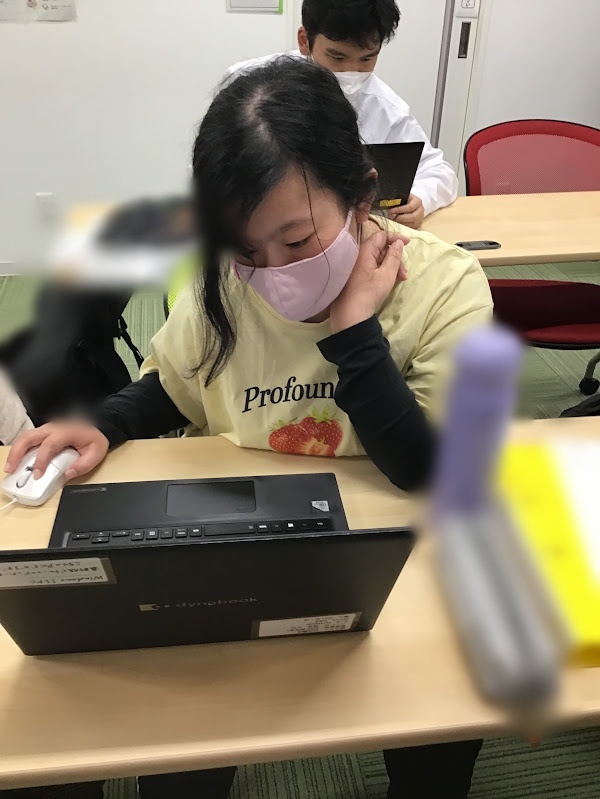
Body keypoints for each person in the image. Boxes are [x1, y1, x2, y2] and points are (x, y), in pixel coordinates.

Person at [6, 58, 491, 798]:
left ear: (363, 197)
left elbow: (426, 469)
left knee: (442, 716)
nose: (272, 273)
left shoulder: (444, 285)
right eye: (246, 249)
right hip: (241, 551)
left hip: (396, 565)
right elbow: (174, 384)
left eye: (297, 242)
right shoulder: (225, 287)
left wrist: (354, 328)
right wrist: (104, 424)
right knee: (173, 739)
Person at [224, 0, 458, 230]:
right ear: (305, 40)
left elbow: (438, 171)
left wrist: (422, 198)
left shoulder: (385, 107)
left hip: (350, 232)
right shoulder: (249, 85)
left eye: (367, 58)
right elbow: (214, 167)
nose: (351, 72)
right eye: (337, 57)